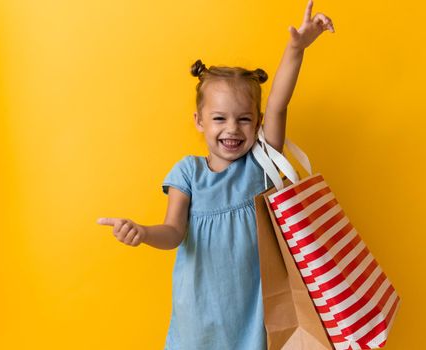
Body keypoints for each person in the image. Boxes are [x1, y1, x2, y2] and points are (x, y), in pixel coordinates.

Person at [97, 1, 334, 348]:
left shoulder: (260, 164)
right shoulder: (188, 173)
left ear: (257, 122)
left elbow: (279, 104)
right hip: (199, 316)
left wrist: (295, 49)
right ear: (199, 122)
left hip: (256, 314)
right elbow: (174, 232)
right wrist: (144, 232)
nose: (232, 129)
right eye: (220, 118)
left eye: (244, 118)